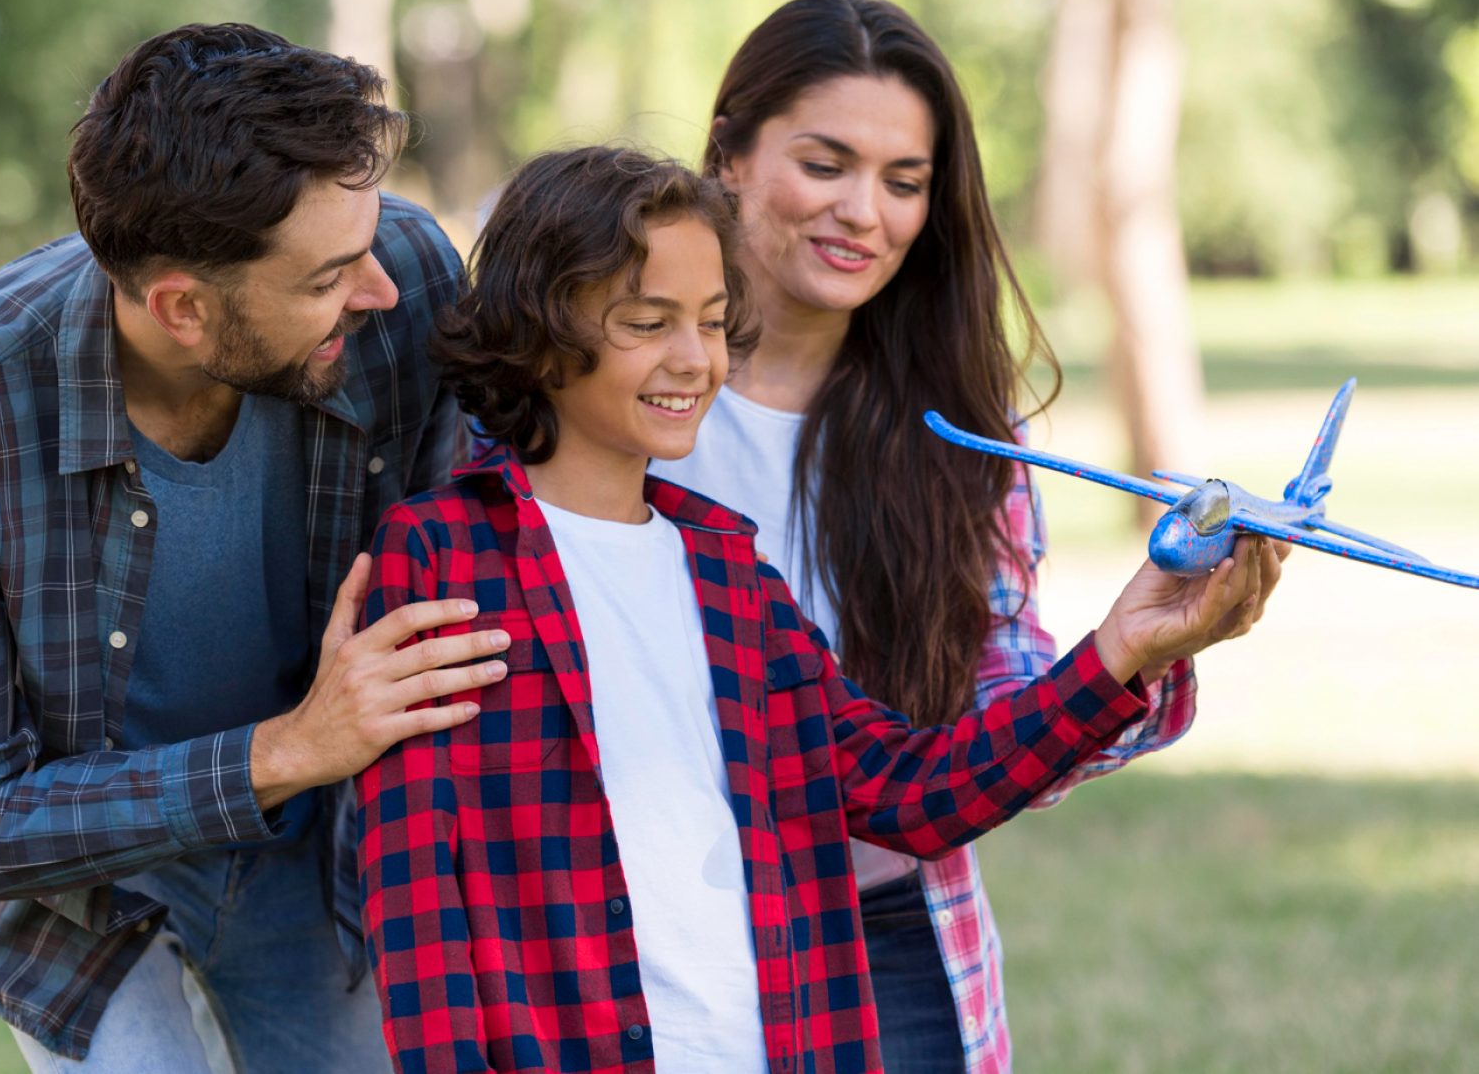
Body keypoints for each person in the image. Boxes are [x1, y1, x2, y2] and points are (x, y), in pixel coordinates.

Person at [354, 145, 1273, 1073]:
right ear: (541, 333)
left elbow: (913, 793)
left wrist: (1123, 646)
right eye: (647, 322)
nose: (693, 359)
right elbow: (419, 901)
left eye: (713, 322)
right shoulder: (442, 559)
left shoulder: (729, 571)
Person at [652, 0, 1289, 1073]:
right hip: (644, 935)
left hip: (885, 938)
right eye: (825, 163)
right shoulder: (603, 388)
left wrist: (1127, 658)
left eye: (905, 182)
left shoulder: (960, 446)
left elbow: (991, 733)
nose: (866, 212)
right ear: (728, 155)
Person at [0, 23, 505, 1073]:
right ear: (182, 308)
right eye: (328, 277)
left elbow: (495, 530)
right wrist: (288, 746)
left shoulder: (404, 276)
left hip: (320, 849)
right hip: (81, 891)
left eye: (369, 243)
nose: (378, 290)